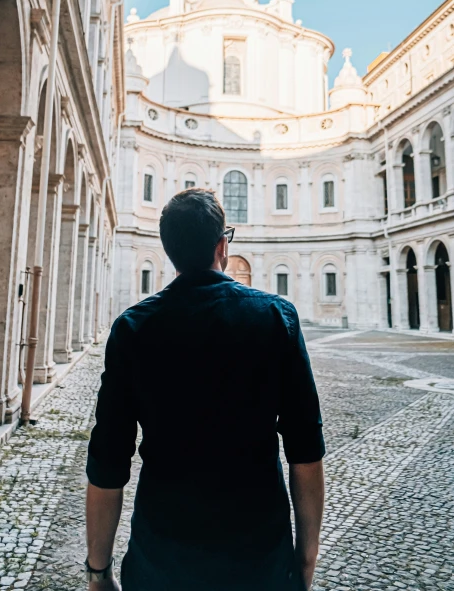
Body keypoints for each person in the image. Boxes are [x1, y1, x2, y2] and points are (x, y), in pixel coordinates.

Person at [85, 188, 325, 591]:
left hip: (162, 557)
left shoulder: (133, 329)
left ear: (169, 251)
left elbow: (108, 460)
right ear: (222, 245)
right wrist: (305, 557)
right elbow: (306, 449)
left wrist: (98, 571)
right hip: (259, 558)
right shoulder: (275, 318)